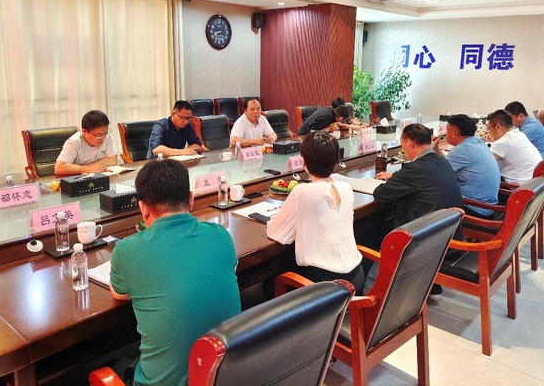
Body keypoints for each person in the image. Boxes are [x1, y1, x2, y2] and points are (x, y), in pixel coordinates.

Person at [109, 160, 241, 386]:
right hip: (227, 376)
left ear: (143, 208)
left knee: (111, 364)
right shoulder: (220, 235)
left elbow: (118, 292)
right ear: (191, 199)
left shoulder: (126, 250)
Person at [367, 123, 463, 292]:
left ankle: (373, 290)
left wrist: (397, 179)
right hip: (446, 236)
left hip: (425, 243)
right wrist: (397, 177)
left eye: (402, 145)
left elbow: (381, 193)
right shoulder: (441, 161)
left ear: (410, 144)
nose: (403, 149)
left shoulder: (415, 168)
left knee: (372, 229)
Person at [266, 131, 364, 293]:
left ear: (303, 161)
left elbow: (277, 233)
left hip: (324, 285)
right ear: (336, 159)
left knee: (269, 284)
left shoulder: (302, 192)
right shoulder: (346, 188)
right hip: (356, 277)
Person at [432, 114, 500, 218]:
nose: (445, 134)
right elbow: (446, 164)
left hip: (474, 208)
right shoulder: (477, 142)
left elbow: (437, 173)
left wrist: (426, 152)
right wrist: (436, 150)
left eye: (447, 130)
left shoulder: (463, 149)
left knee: (428, 192)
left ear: (455, 134)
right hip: (488, 206)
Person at [486, 109, 542, 185]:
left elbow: (484, 162)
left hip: (518, 187)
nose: (488, 131)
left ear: (497, 127)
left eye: (488, 128)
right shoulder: (518, 134)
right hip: (534, 183)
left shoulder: (504, 142)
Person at [54, 110, 118, 176]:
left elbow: (113, 159)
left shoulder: (107, 136)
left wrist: (93, 167)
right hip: (78, 179)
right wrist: (89, 168)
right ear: (84, 131)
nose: (103, 138)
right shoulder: (74, 142)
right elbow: (59, 168)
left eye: (105, 133)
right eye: (98, 135)